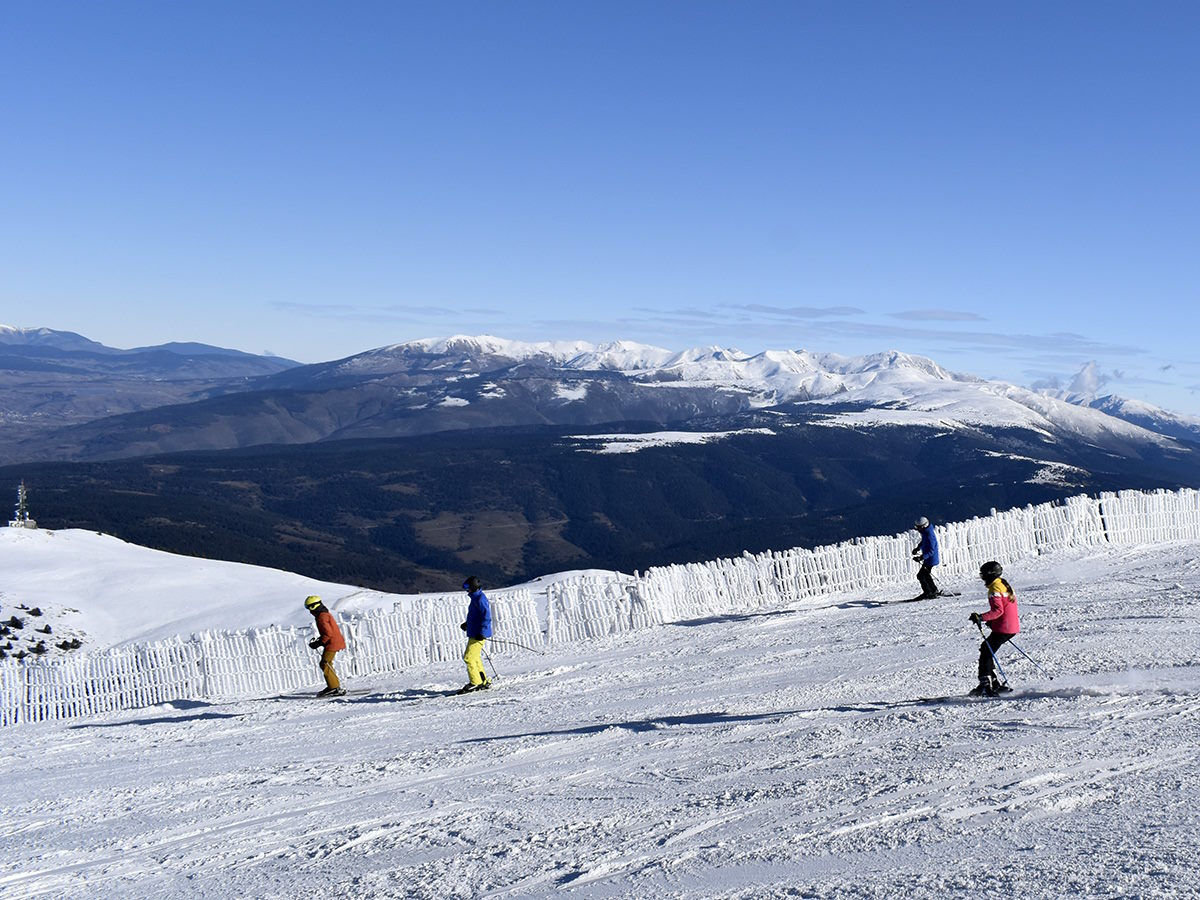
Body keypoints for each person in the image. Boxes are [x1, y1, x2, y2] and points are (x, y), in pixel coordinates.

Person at [969, 561, 1019, 696]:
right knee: (986, 649)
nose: (983, 578)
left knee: (986, 651)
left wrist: (981, 617)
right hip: (1009, 626)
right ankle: (994, 683)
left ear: (990, 575)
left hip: (1005, 627)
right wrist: (993, 622)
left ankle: (986, 685)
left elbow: (998, 610)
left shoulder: (995, 589)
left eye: (984, 575)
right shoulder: (1002, 583)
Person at [304, 595, 346, 697]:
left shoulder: (321, 617)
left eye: (309, 607)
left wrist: (319, 643)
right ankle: (334, 686)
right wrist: (320, 640)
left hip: (332, 643)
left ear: (315, 606)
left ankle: (334, 688)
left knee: (325, 663)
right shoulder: (324, 614)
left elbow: (328, 634)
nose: (309, 610)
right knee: (326, 663)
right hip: (334, 641)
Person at [458, 575, 492, 694]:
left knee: (468, 657)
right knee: (475, 657)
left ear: (473, 587)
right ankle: (483, 680)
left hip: (479, 634)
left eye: (468, 588)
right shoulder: (475, 598)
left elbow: (486, 617)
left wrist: (482, 632)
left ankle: (475, 682)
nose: (467, 591)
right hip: (474, 632)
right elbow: (475, 616)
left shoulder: (480, 599)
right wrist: (467, 624)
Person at [911, 516, 941, 599]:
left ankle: (928, 592)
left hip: (930, 559)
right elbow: (923, 542)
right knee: (926, 575)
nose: (917, 529)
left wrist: (922, 557)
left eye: (918, 527)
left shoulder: (929, 535)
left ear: (923, 526)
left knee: (921, 575)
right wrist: (918, 548)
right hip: (929, 559)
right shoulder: (926, 533)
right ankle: (933, 590)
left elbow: (931, 551)